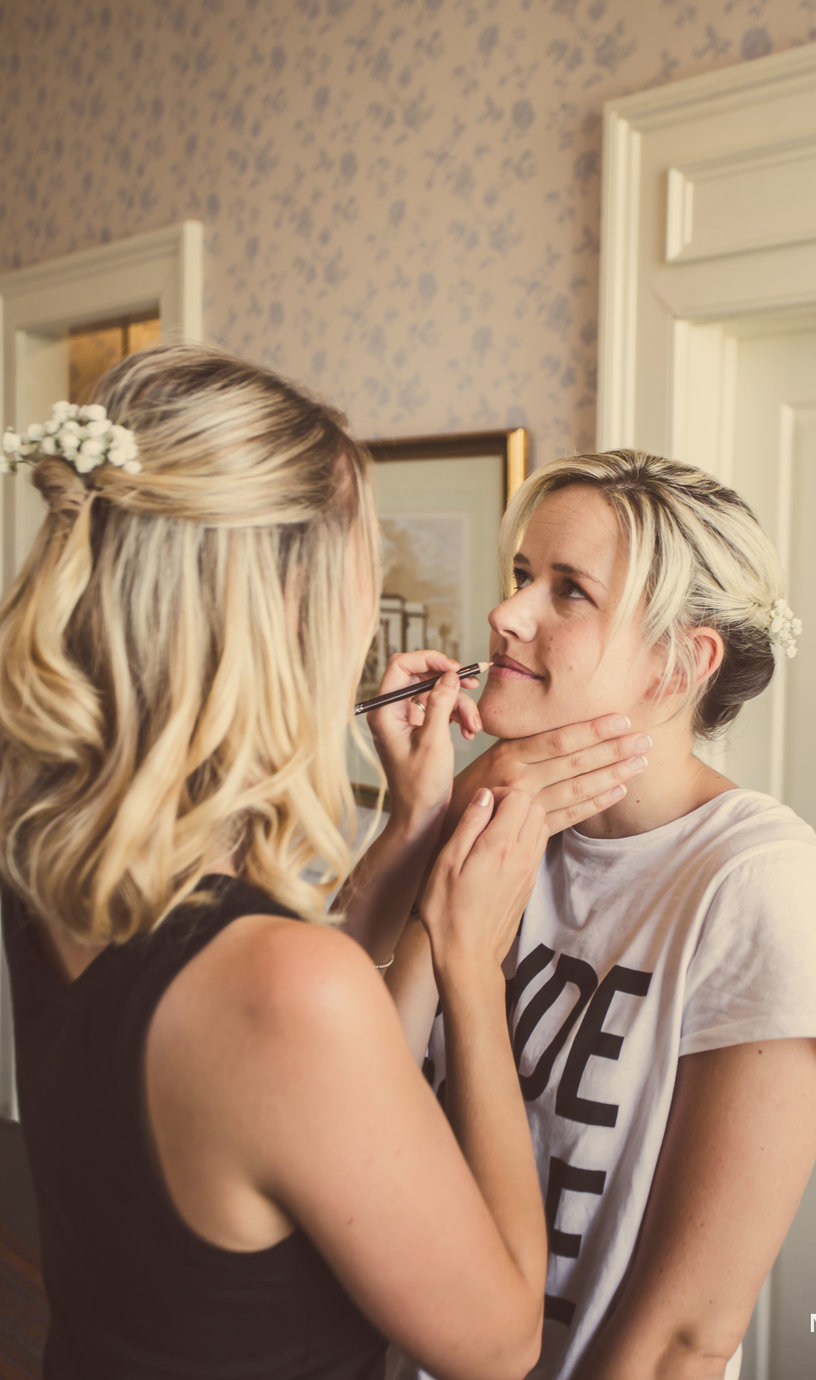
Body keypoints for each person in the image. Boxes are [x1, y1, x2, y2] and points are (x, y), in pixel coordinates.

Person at [0, 345, 640, 1380]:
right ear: (282, 606)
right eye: (362, 563)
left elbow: (245, 1057)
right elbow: (502, 1341)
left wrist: (410, 826)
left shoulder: (47, 850)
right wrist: (466, 964)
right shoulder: (285, 990)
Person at [389, 450, 816, 1380]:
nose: (506, 614)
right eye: (523, 575)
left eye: (569, 592)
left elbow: (683, 1340)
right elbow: (366, 1087)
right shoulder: (496, 824)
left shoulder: (762, 889)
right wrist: (438, 826)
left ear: (683, 662)